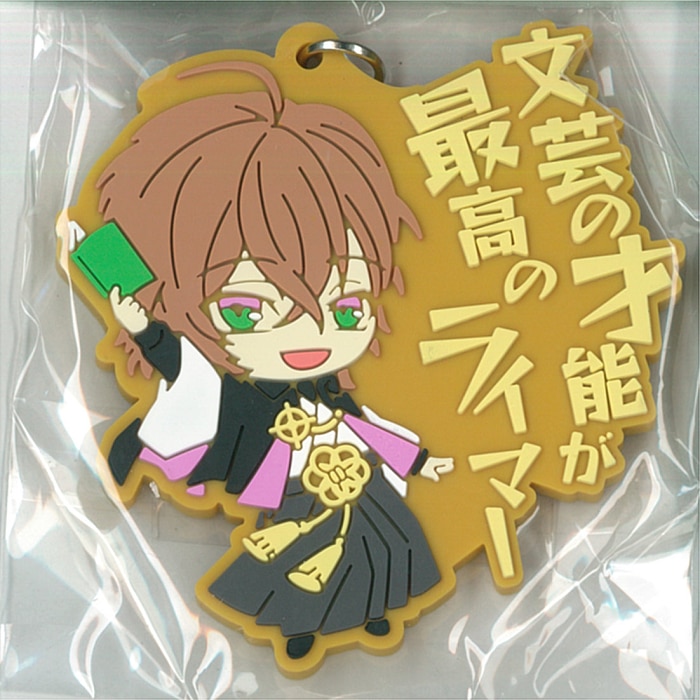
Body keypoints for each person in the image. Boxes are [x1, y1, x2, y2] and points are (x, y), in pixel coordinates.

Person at [95, 60, 453, 658]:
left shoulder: (329, 388)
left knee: (384, 544)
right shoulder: (231, 389)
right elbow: (183, 364)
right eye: (247, 310)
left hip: (356, 483)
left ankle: (375, 609)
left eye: (346, 308)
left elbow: (366, 426)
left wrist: (418, 460)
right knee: (288, 560)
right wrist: (139, 323)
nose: (311, 330)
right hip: (291, 492)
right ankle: (299, 627)